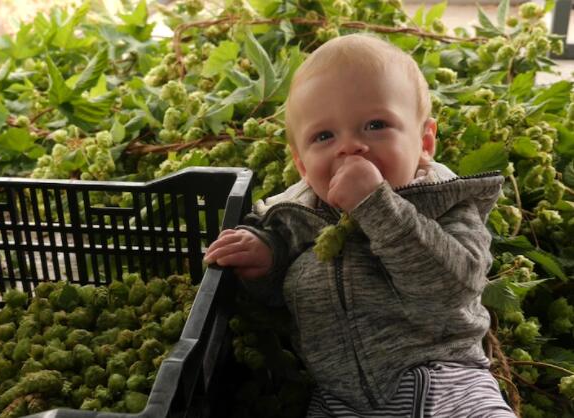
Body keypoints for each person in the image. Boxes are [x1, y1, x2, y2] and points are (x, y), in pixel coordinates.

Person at [204, 33, 515, 417]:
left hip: (446, 383)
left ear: (424, 143)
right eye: (324, 136)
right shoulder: (295, 217)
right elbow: (280, 300)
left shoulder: (446, 204)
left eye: (375, 124)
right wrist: (265, 261)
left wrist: (376, 206)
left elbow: (451, 288)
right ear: (301, 164)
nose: (349, 146)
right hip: (339, 400)